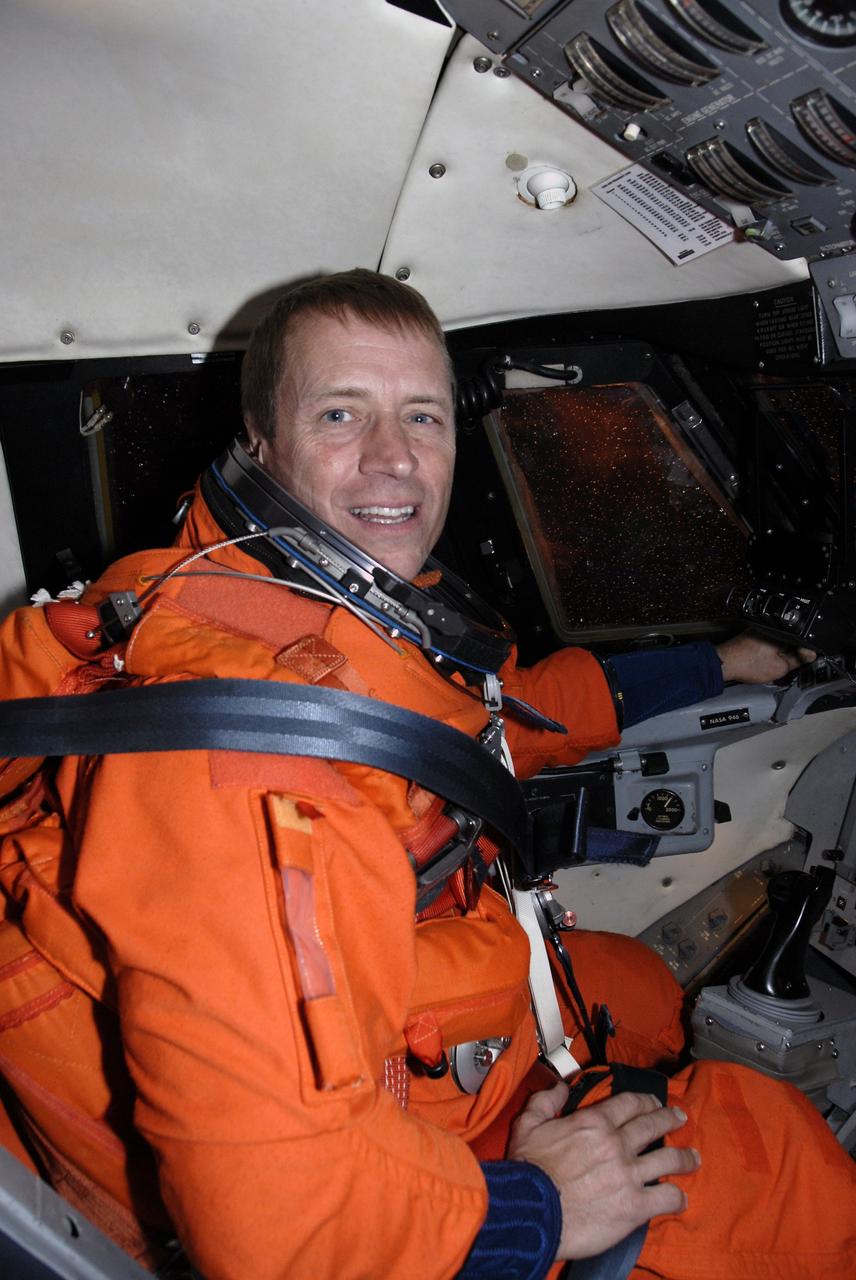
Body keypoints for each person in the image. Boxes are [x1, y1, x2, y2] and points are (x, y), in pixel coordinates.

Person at [0, 268, 852, 1280]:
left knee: (637, 985)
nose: (394, 456)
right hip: (389, 1184)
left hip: (427, 1018)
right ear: (258, 440)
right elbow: (282, 1232)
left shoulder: (266, 598)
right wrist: (540, 1207)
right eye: (339, 414)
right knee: (778, 1161)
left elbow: (503, 713)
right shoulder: (244, 757)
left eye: (422, 415)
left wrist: (720, 663)